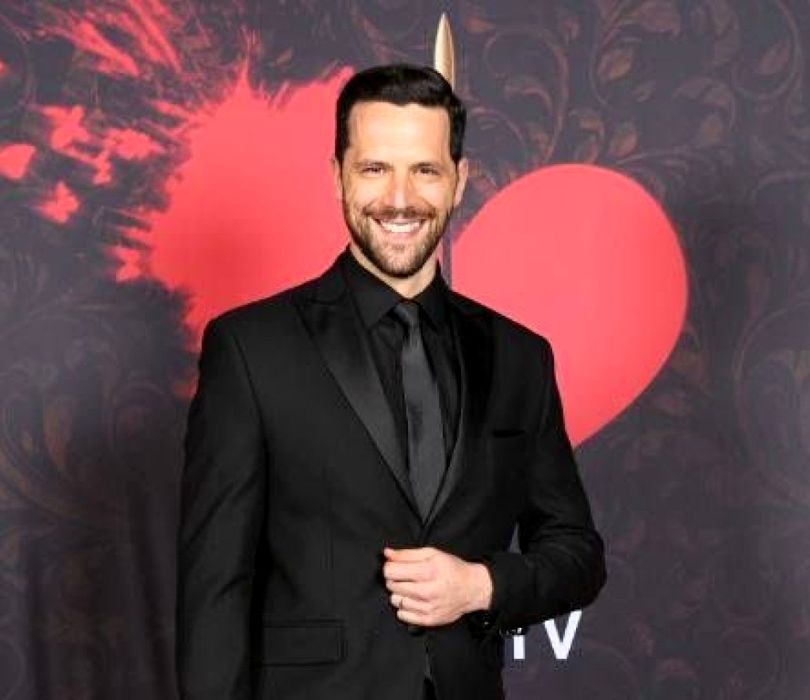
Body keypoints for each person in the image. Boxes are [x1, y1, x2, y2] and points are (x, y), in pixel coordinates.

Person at [176, 63, 605, 700]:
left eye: (424, 170)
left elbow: (576, 553)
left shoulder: (520, 357)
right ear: (337, 176)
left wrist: (481, 585)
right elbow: (215, 587)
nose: (399, 198)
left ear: (459, 181)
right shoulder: (251, 348)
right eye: (375, 168)